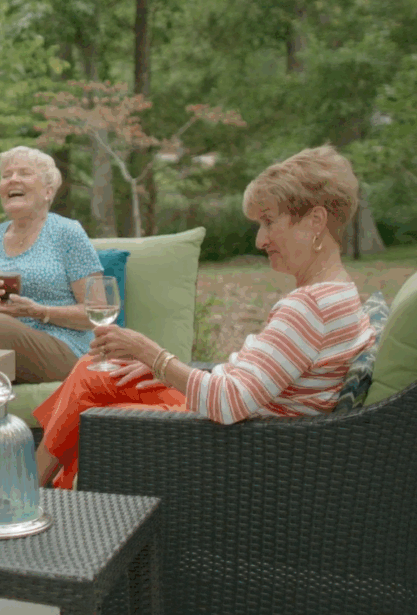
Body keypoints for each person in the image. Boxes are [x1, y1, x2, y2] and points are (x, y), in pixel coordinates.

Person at [33, 146, 375, 490]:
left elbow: (229, 403)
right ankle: (43, 489)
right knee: (95, 373)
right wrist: (161, 369)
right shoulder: (338, 292)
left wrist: (151, 354)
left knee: (94, 413)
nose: (261, 240)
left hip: (232, 444)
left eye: (269, 222)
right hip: (241, 424)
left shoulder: (311, 306)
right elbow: (253, 383)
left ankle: (33, 493)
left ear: (315, 221)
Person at [0, 146, 103, 383]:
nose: (13, 179)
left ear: (48, 191)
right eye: (6, 176)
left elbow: (97, 311)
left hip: (65, 348)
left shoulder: (67, 232)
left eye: (24, 173)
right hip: (0, 349)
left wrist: (40, 312)